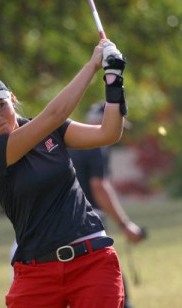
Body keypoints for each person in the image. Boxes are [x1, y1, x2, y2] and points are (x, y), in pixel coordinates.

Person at [0, 39, 128, 307]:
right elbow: (54, 115)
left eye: (0, 105)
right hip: (37, 272)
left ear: (12, 99)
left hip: (92, 260)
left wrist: (113, 81)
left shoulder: (51, 130)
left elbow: (108, 133)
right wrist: (92, 65)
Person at [68, 103, 145, 308]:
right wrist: (125, 225)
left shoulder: (71, 142)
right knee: (114, 290)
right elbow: (99, 187)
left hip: (61, 228)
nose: (117, 132)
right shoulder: (95, 144)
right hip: (88, 226)